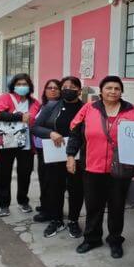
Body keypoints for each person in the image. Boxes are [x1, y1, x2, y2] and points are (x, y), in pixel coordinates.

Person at [66, 76, 134, 258]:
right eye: (109, 88)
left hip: (120, 169)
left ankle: (115, 240)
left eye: (117, 88)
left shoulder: (132, 111)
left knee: (117, 206)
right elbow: (75, 133)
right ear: (101, 91)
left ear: (121, 91)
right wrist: (70, 156)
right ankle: (92, 238)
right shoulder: (89, 108)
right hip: (92, 167)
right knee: (93, 205)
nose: (113, 91)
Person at [32, 76, 85, 238]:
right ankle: (56, 219)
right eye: (65, 86)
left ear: (79, 90)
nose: (68, 89)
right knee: (55, 188)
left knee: (76, 189)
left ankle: (73, 221)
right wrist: (51, 133)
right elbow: (35, 127)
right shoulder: (52, 106)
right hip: (55, 155)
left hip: (78, 155)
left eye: (72, 86)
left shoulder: (87, 108)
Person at [0, 73, 40, 217]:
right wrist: (20, 116)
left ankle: (23, 201)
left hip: (26, 144)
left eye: (24, 84)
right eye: (18, 84)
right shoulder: (6, 97)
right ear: (13, 85)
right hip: (6, 142)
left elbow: (32, 119)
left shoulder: (35, 102)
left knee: (25, 173)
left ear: (29, 86)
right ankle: (4, 204)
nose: (21, 87)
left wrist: (17, 116)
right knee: (4, 174)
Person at [33, 79, 62, 220]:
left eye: (56, 88)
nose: (53, 90)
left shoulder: (58, 106)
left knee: (50, 181)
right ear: (44, 90)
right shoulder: (44, 105)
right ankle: (45, 204)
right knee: (43, 178)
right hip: (41, 148)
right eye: (49, 87)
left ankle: (48, 211)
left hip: (52, 148)